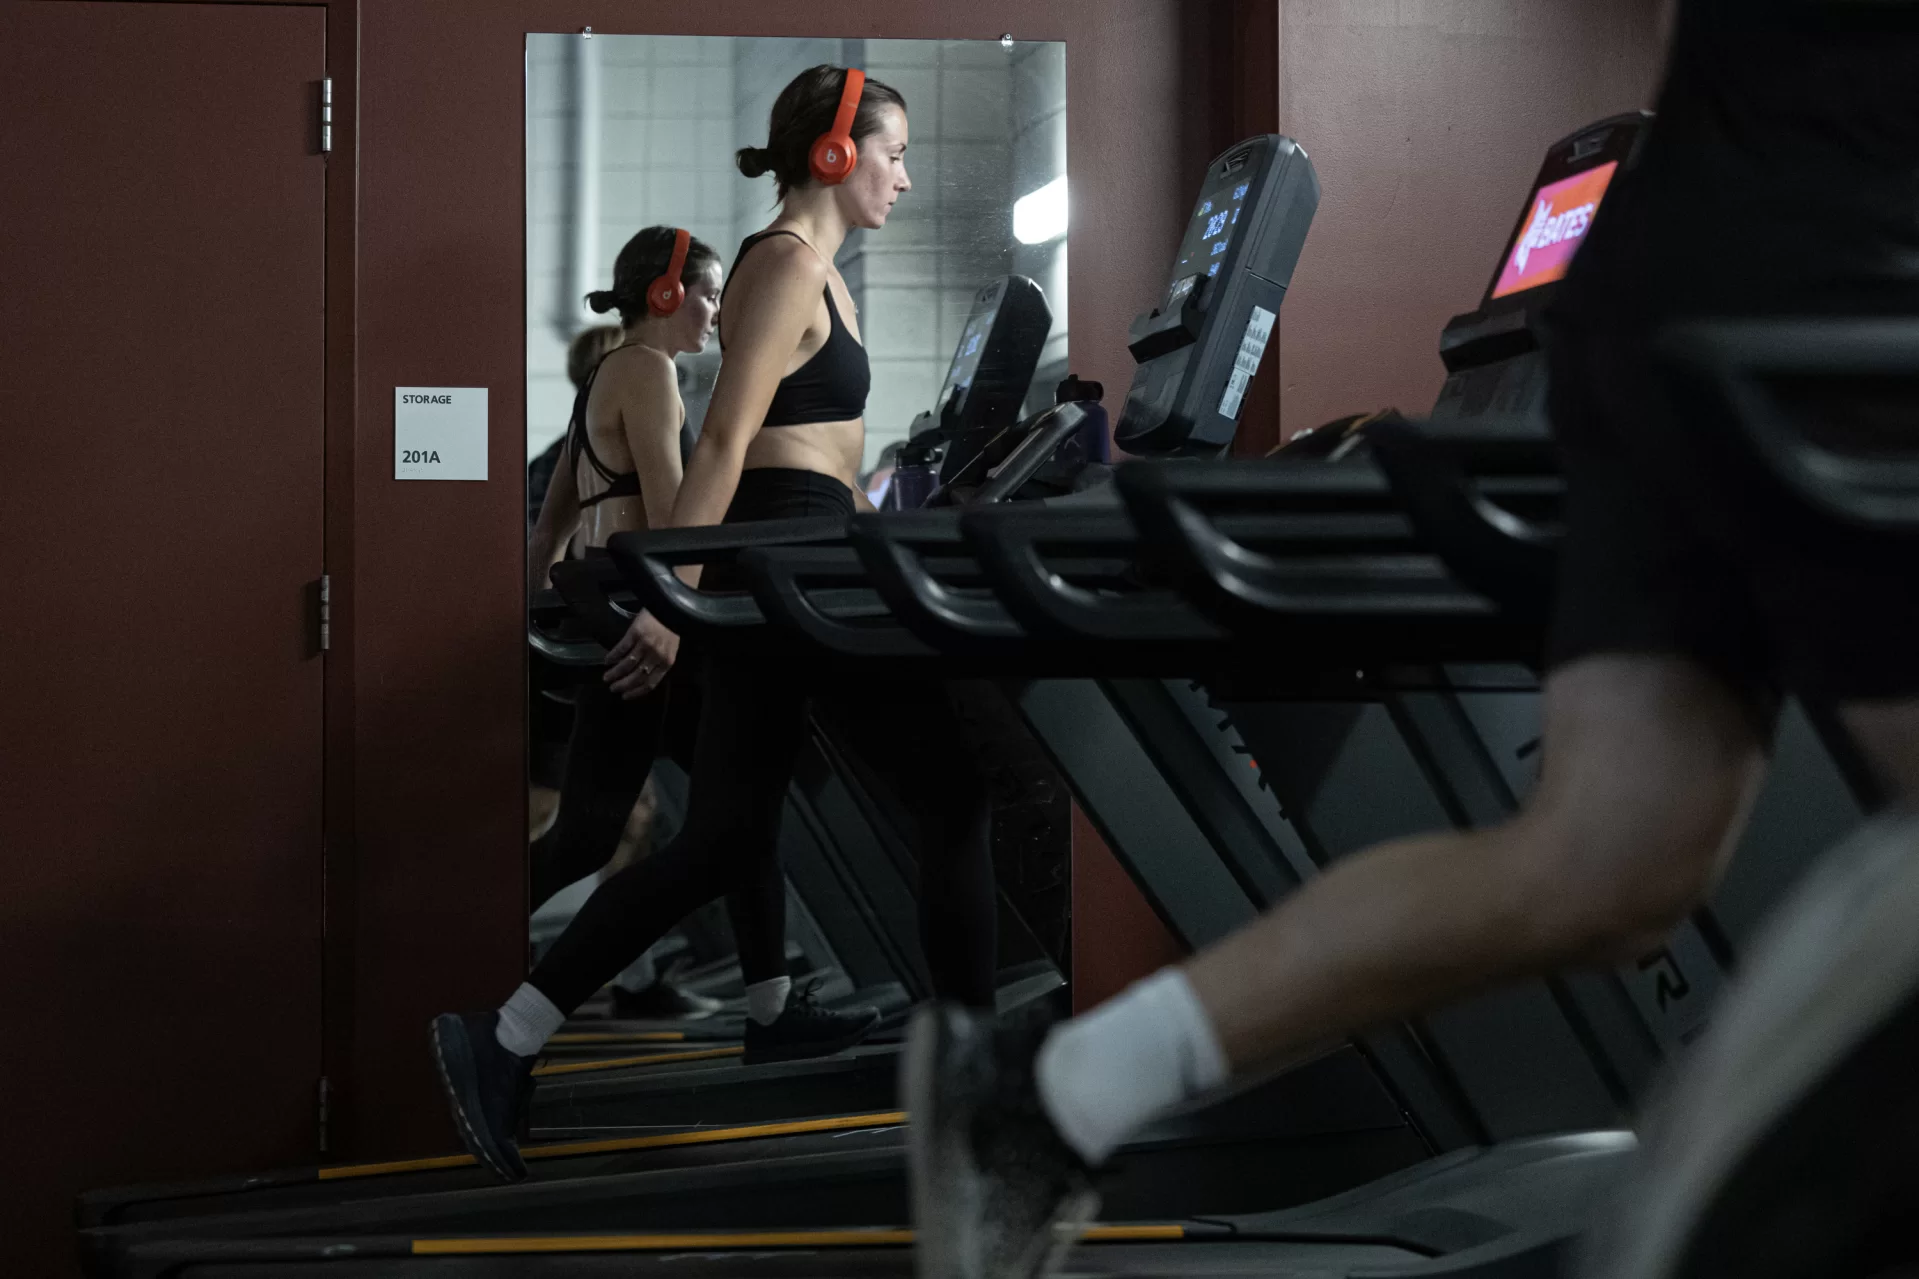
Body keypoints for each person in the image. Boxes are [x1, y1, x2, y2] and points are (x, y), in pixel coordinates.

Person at [903, 3, 1919, 1275]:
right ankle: (1737, 1219)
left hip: (1668, 289)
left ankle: (1054, 1092)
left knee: (1604, 858)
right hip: (1842, 280)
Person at [433, 65, 1003, 1184]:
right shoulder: (785, 267)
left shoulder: (815, 271)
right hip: (786, 560)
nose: (904, 173)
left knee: (724, 837)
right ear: (834, 156)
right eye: (891, 151)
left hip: (794, 552)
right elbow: (726, 441)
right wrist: (677, 598)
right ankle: (977, 1091)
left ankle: (500, 1040)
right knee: (951, 792)